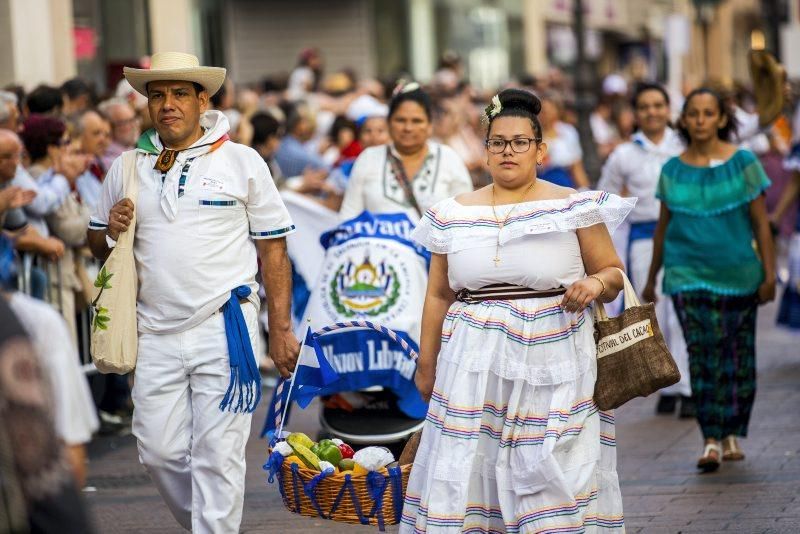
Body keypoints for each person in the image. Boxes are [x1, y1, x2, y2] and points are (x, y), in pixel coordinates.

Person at [87, 51, 299, 533]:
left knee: (218, 454)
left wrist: (280, 329)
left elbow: (274, 251)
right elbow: (97, 242)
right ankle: (208, 523)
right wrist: (109, 230)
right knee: (158, 451)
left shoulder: (242, 161)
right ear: (146, 105)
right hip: (153, 331)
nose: (167, 105)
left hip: (226, 325)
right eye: (157, 95)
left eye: (180, 94)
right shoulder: (126, 166)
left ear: (202, 100)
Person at [402, 88, 631, 532]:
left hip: (556, 356)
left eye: (520, 142)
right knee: (471, 468)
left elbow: (614, 274)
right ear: (485, 150)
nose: (509, 151)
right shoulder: (451, 214)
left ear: (540, 150)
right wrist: (425, 363)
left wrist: (594, 282)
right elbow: (437, 295)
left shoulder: (573, 205)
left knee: (548, 465)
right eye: (498, 142)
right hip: (472, 361)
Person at [643, 88, 776, 472]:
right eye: (694, 114)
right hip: (687, 275)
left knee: (737, 356)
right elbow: (663, 230)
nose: (701, 120)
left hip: (739, 274)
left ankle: (732, 431)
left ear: (721, 119)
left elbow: (761, 227)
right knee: (701, 357)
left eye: (708, 113)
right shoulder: (672, 171)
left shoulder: (744, 163)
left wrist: (769, 275)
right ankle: (711, 439)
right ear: (683, 120)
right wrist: (651, 279)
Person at [598, 83, 693, 417]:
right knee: (653, 312)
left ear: (668, 109)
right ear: (636, 113)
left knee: (681, 311)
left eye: (658, 105)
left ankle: (687, 388)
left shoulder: (684, 144)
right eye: (645, 106)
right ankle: (666, 385)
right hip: (644, 239)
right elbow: (604, 201)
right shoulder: (624, 154)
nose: (652, 112)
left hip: (684, 235)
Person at [339, 82, 473, 221]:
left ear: (429, 126)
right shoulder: (369, 158)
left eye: (417, 121)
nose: (408, 128)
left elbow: (465, 216)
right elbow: (349, 216)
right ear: (389, 123)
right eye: (400, 120)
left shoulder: (448, 157)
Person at [537, 92, 591, 189]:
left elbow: (576, 166)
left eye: (548, 110)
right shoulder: (533, 134)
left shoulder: (568, 132)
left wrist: (585, 190)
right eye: (543, 111)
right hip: (540, 184)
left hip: (564, 184)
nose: (545, 115)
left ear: (558, 111)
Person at [98, 97, 141, 171]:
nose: (133, 125)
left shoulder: (132, 149)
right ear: (109, 127)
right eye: (124, 122)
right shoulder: (108, 161)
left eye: (133, 119)